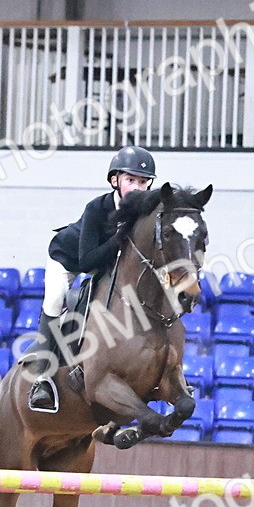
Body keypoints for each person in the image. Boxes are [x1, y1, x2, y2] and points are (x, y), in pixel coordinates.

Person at [28, 145, 157, 412]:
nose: (137, 187)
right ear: (115, 180)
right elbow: (87, 261)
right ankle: (41, 379)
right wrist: (120, 238)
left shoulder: (144, 212)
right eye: (130, 180)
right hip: (68, 258)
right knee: (55, 301)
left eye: (143, 182)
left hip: (106, 262)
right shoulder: (97, 208)